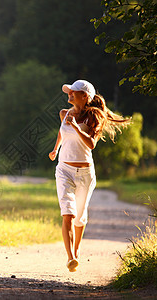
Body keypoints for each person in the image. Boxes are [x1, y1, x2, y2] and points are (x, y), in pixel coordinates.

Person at [49, 80, 129, 272]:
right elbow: (62, 132)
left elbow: (91, 144)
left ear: (85, 96)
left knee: (80, 217)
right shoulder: (64, 114)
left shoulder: (94, 116)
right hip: (64, 170)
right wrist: (55, 148)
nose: (69, 94)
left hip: (85, 173)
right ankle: (71, 257)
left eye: (73, 92)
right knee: (68, 213)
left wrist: (77, 127)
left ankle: (76, 251)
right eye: (69, 91)